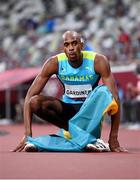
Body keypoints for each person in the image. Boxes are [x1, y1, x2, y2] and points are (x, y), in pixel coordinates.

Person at [13, 30, 127, 152]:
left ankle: (81, 136)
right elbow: (29, 96)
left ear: (82, 45)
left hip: (90, 111)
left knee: (104, 91)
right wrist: (27, 134)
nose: (71, 48)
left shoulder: (98, 61)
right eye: (67, 45)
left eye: (74, 43)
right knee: (34, 102)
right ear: (63, 48)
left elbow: (115, 97)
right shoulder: (54, 63)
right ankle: (78, 135)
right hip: (68, 112)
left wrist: (113, 137)